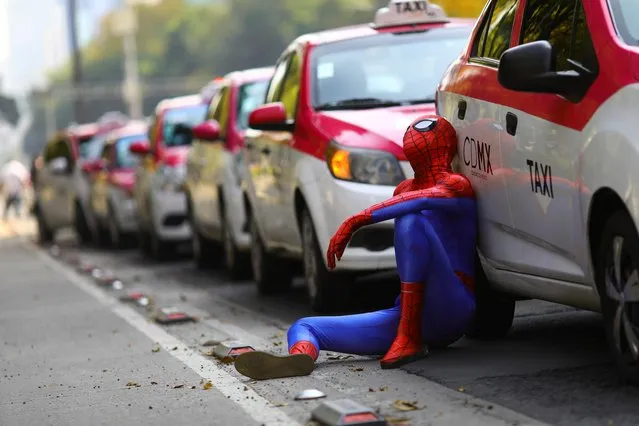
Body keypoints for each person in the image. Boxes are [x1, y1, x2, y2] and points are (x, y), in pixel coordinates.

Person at [234, 115, 478, 380]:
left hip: (452, 305)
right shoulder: (405, 190)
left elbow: (419, 202)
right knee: (305, 326)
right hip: (410, 314)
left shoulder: (456, 185)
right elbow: (411, 197)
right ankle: (300, 357)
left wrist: (356, 220)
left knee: (411, 221)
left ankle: (408, 338)